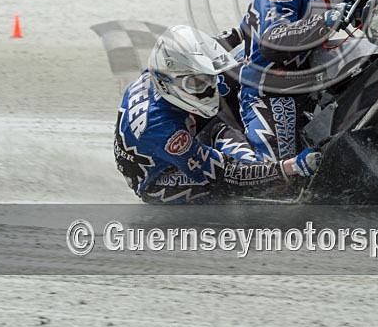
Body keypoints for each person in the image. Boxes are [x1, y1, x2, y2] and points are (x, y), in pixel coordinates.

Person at [114, 25, 321, 203]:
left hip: (169, 134)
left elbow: (211, 50)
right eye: (196, 83)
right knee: (245, 177)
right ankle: (272, 196)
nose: (207, 88)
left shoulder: (167, 69)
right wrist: (291, 167)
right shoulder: (165, 131)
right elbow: (226, 173)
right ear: (166, 80)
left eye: (206, 78)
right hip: (160, 178)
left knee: (240, 67)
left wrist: (247, 31)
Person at [238, 0, 366, 162]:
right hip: (272, 84)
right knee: (281, 176)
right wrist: (327, 19)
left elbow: (365, 14)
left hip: (322, 76)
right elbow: (272, 42)